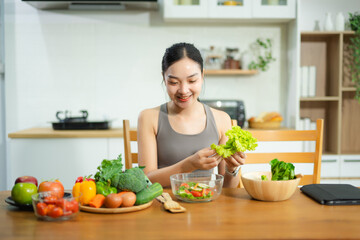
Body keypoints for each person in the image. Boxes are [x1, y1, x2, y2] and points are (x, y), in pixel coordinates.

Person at [137, 42, 246, 188]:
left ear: (202, 76)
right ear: (164, 78)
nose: (183, 90)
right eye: (174, 82)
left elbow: (228, 190)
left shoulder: (221, 119)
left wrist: (232, 169)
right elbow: (145, 180)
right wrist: (188, 165)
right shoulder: (149, 118)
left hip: (207, 205)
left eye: (192, 80)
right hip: (163, 205)